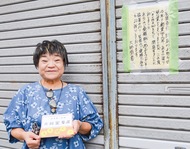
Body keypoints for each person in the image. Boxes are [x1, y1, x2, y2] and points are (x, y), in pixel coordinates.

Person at [3, 40, 103, 149]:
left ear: (64, 64)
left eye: (57, 60)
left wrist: (79, 125)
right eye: (45, 60)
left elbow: (93, 123)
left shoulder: (76, 92)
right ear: (37, 65)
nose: (51, 65)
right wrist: (24, 135)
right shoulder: (26, 92)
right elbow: (12, 125)